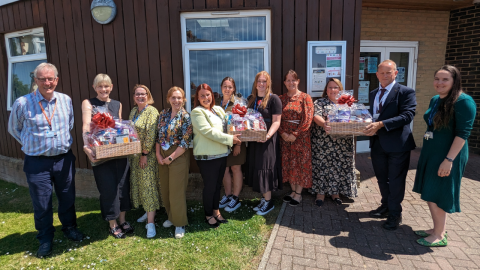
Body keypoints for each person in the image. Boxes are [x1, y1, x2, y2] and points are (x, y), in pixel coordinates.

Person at [8, 63, 83, 257]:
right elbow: (14, 129)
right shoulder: (23, 103)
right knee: (42, 202)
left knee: (67, 197)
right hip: (37, 162)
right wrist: (32, 144)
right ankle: (45, 237)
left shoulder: (65, 100)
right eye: (42, 79)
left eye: (51, 79)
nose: (47, 82)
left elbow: (70, 123)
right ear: (35, 80)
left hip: (63, 160)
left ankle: (69, 227)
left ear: (56, 80)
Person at [412, 65, 476, 247]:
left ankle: (439, 235)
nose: (439, 83)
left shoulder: (464, 101)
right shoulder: (436, 99)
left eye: (445, 79)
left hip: (448, 156)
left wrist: (449, 160)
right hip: (432, 153)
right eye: (437, 79)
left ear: (454, 81)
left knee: (439, 191)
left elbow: (463, 134)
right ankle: (436, 228)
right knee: (430, 191)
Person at [363, 59, 417, 231]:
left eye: (389, 72)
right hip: (378, 143)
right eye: (382, 72)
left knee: (395, 180)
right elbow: (373, 115)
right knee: (381, 178)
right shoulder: (373, 93)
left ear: (396, 73)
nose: (385, 75)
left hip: (398, 144)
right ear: (377, 74)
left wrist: (380, 124)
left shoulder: (405, 92)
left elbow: (408, 115)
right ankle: (385, 206)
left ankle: (395, 213)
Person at [81, 74, 132, 239]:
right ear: (94, 87)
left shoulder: (117, 104)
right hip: (101, 153)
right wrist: (87, 146)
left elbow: (120, 126)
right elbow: (86, 126)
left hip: (119, 152)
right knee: (108, 188)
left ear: (111, 87)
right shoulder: (88, 103)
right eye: (100, 86)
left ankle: (123, 219)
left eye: (106, 86)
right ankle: (113, 224)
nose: (104, 89)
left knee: (123, 186)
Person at [191, 83, 241, 228]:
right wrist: (231, 139)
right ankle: (208, 215)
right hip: (207, 157)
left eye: (208, 94)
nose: (206, 98)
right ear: (198, 98)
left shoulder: (218, 109)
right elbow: (208, 132)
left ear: (212, 95)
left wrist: (243, 121)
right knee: (210, 186)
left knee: (218, 186)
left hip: (222, 154)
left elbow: (229, 124)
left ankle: (216, 211)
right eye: (202, 96)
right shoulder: (197, 112)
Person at [310, 78, 358, 206]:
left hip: (343, 143)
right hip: (323, 142)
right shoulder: (320, 102)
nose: (333, 90)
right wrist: (324, 123)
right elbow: (316, 116)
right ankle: (320, 193)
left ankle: (335, 193)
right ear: (326, 90)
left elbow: (354, 117)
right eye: (330, 87)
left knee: (338, 167)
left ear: (340, 89)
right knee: (322, 167)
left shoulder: (347, 102)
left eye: (335, 87)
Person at [156, 87, 192, 239]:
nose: (176, 101)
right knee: (166, 189)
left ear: (183, 99)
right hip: (162, 154)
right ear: (168, 99)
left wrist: (171, 158)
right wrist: (158, 154)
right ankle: (171, 217)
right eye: (173, 97)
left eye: (179, 98)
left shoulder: (186, 116)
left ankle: (179, 223)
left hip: (178, 155)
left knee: (176, 191)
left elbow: (185, 142)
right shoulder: (163, 114)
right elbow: (158, 136)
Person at [245, 71, 282, 216]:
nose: (261, 84)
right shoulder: (250, 99)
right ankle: (263, 199)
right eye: (259, 81)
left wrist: (267, 135)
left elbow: (277, 121)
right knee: (257, 166)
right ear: (255, 83)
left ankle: (268, 201)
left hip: (267, 139)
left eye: (264, 81)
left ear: (268, 84)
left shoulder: (274, 99)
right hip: (254, 139)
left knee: (265, 167)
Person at [128, 84, 160, 238]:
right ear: (134, 96)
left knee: (148, 186)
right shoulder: (134, 111)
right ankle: (147, 212)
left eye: (143, 94)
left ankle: (151, 222)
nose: (140, 96)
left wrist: (144, 153)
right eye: (137, 94)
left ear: (148, 96)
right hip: (134, 155)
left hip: (146, 155)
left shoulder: (152, 111)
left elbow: (151, 134)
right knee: (140, 184)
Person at [279, 70, 314, 206]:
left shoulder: (305, 97)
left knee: (299, 164)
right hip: (285, 138)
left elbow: (308, 119)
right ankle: (292, 191)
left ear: (298, 81)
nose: (291, 83)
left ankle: (298, 194)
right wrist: (282, 133)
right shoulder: (281, 99)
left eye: (293, 80)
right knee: (288, 164)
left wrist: (295, 134)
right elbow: (277, 119)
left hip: (300, 139)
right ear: (284, 83)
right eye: (288, 80)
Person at [216, 77, 246, 212]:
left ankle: (235, 197)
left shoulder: (238, 103)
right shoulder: (216, 103)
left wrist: (238, 144)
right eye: (225, 86)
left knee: (235, 168)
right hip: (222, 141)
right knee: (224, 169)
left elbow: (242, 124)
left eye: (230, 87)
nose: (227, 89)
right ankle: (227, 195)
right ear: (221, 87)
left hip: (236, 141)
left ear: (234, 88)